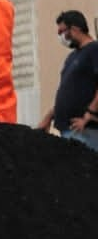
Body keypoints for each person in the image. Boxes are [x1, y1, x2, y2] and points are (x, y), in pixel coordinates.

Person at [38, 10, 98, 151]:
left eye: (62, 32)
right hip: (68, 131)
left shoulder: (94, 50)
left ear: (75, 29)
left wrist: (89, 114)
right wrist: (48, 118)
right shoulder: (72, 57)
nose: (61, 37)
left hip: (85, 130)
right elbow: (68, 90)